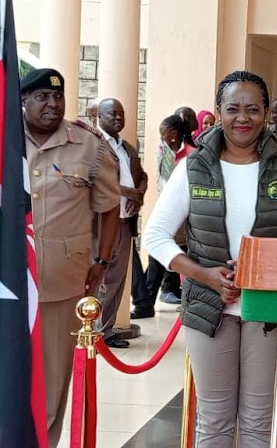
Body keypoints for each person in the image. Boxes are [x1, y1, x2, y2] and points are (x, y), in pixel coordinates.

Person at [143, 71, 277, 446]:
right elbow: (155, 236)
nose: (242, 118)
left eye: (252, 109)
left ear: (265, 114)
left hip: (269, 310)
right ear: (218, 111)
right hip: (206, 305)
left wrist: (273, 271)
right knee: (213, 420)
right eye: (232, 108)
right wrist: (206, 275)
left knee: (259, 420)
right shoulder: (193, 167)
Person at [21, 68, 121, 447]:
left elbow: (109, 207)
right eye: (42, 97)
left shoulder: (88, 145)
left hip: (62, 281)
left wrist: (102, 260)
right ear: (23, 101)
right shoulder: (5, 139)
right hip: (11, 279)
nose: (52, 104)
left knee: (51, 378)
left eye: (57, 97)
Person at [95, 98, 148, 348]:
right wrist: (129, 192)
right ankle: (90, 330)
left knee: (117, 279)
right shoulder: (93, 144)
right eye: (112, 113)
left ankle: (105, 331)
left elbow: (144, 176)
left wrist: (138, 194)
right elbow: (94, 180)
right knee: (97, 278)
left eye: (121, 113)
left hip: (125, 222)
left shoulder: (127, 147)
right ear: (99, 116)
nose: (118, 118)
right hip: (102, 221)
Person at [131, 114, 195, 318]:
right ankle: (147, 301)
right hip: (166, 212)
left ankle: (184, 300)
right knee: (156, 253)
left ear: (174, 135)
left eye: (163, 135)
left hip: (185, 217)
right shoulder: (163, 152)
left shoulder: (192, 155)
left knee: (184, 259)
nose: (161, 139)